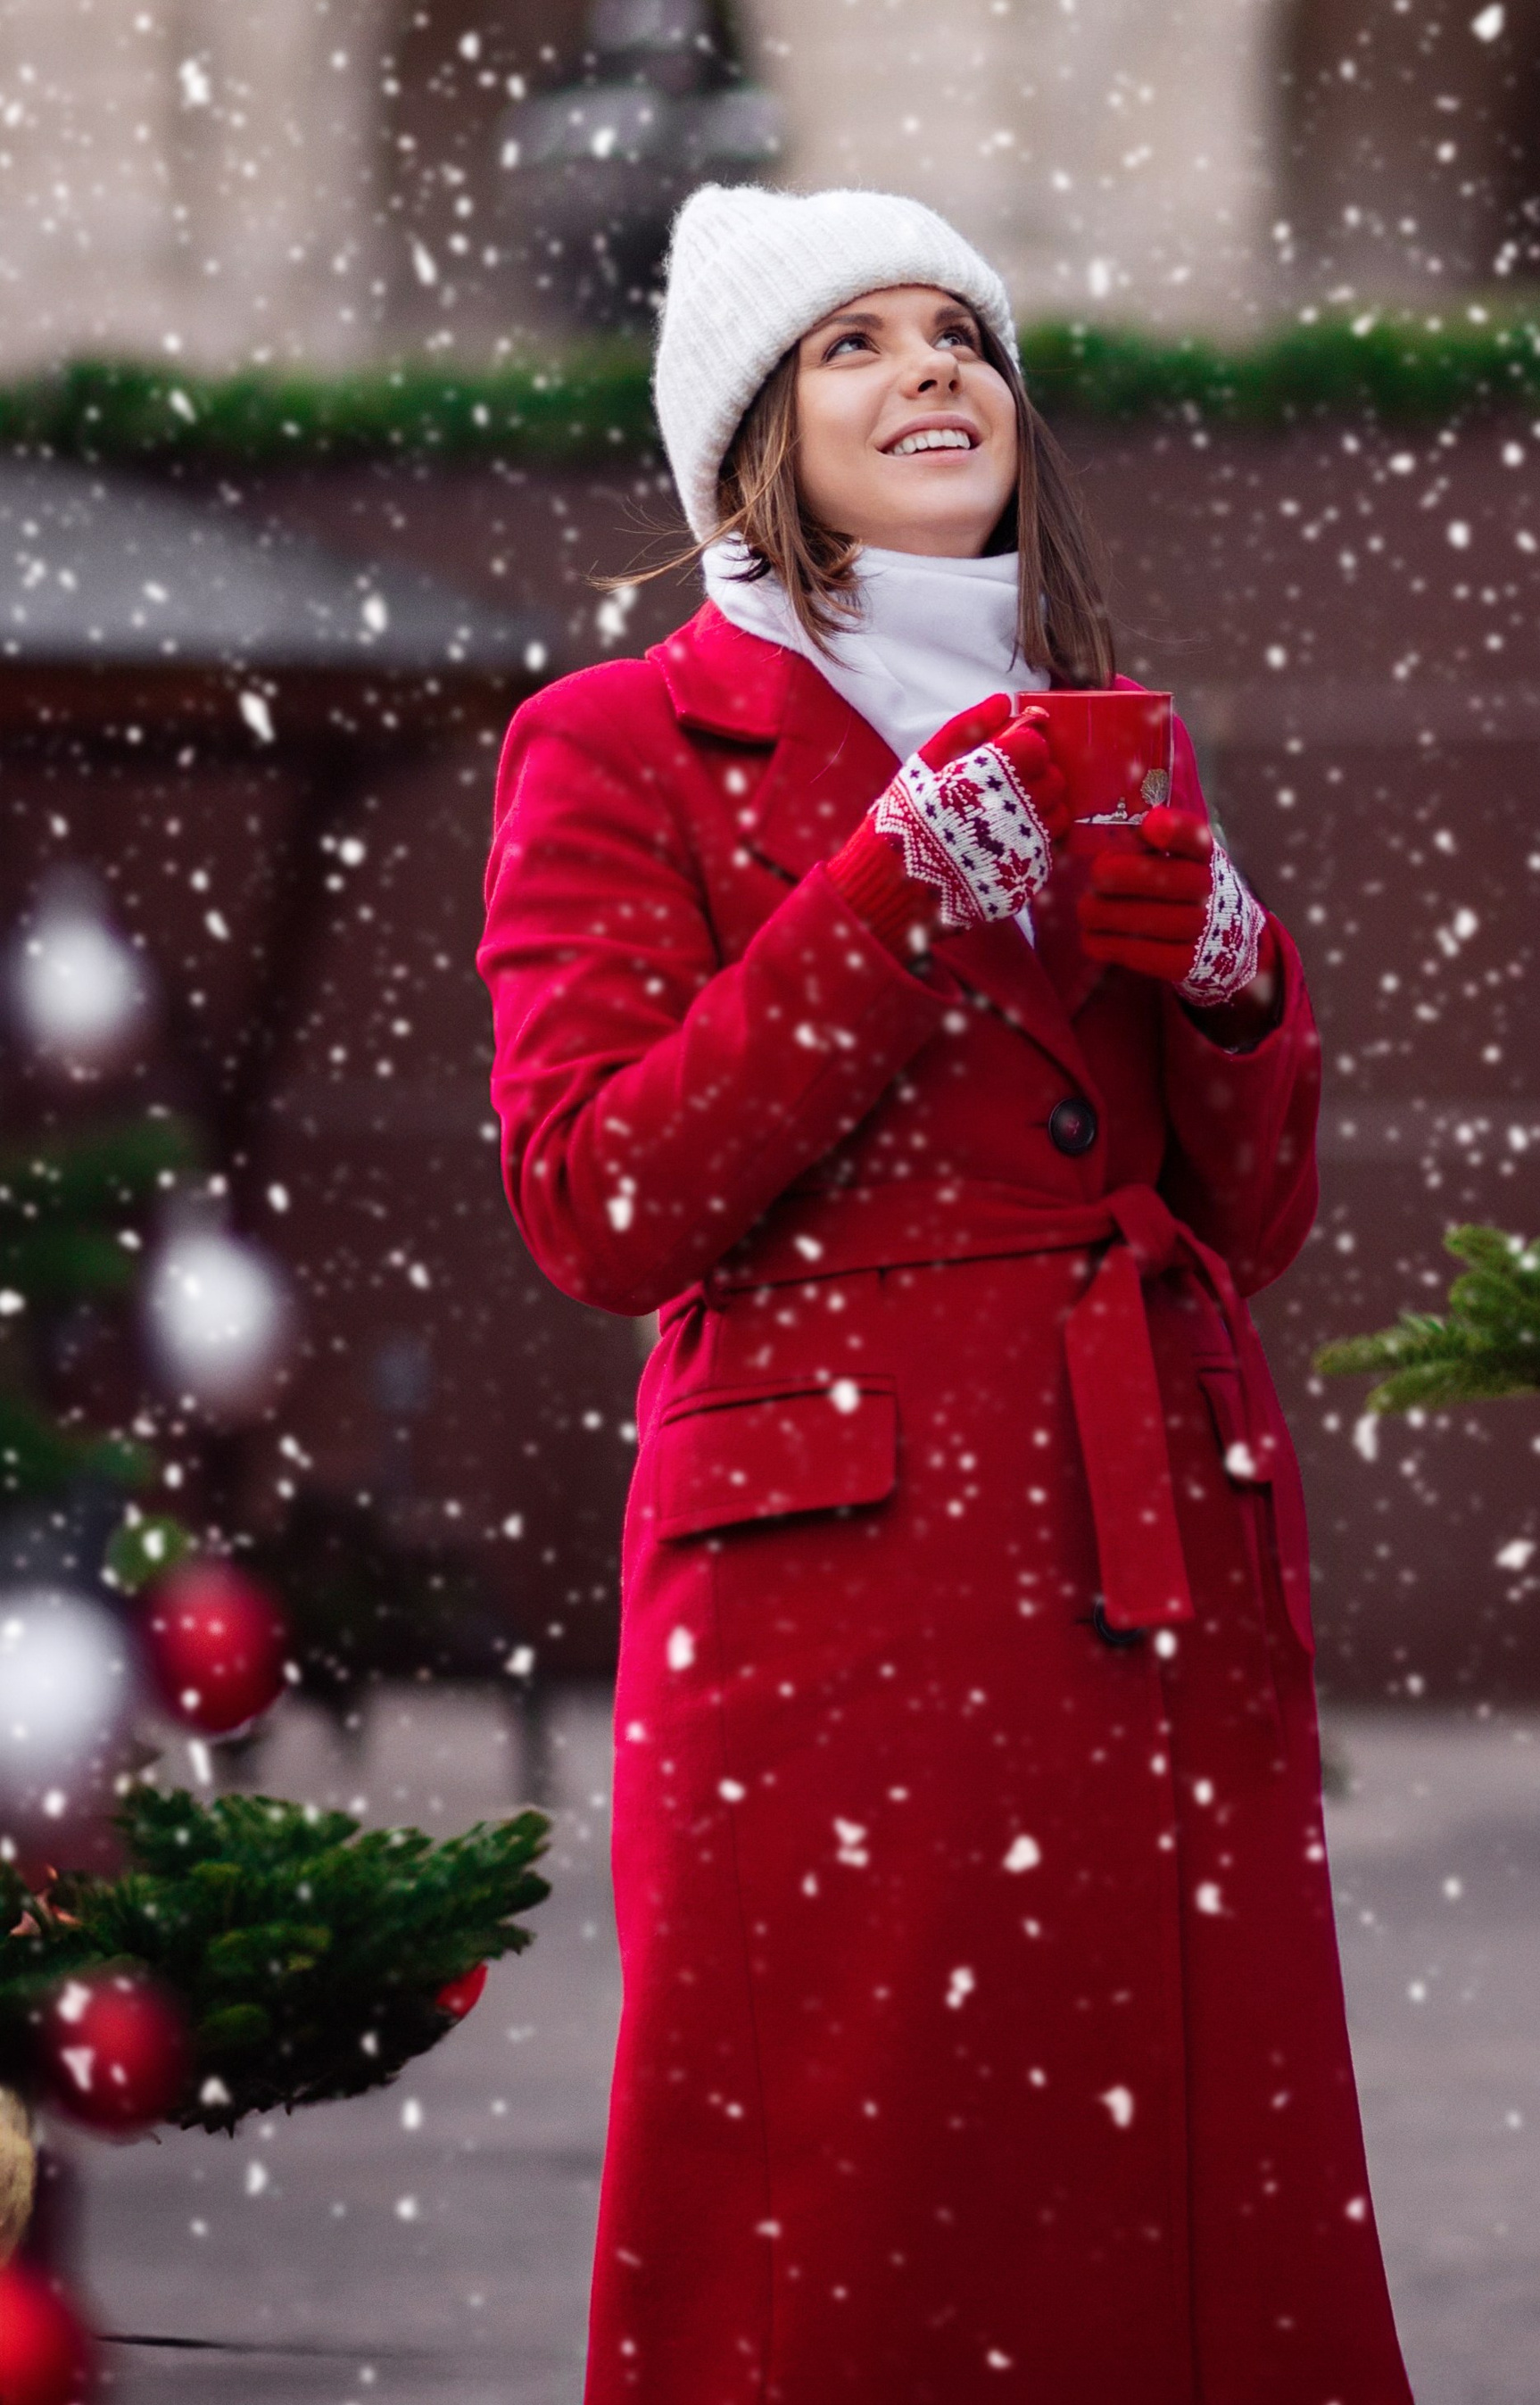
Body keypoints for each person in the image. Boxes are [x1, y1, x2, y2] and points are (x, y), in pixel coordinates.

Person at [479, 185, 1412, 2405]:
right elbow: (594, 1192)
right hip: (837, 1602)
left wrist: (1226, 978)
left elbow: (1252, 1213)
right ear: (750, 443)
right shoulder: (621, 739)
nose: (927, 374)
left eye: (958, 335)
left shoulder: (1098, 729)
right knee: (859, 2207)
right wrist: (886, 899)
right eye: (851, 345)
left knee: (1178, 2196)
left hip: (1139, 1568)